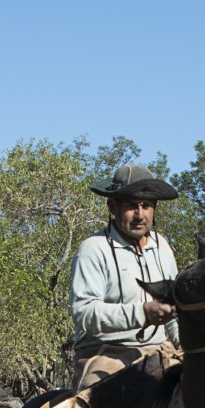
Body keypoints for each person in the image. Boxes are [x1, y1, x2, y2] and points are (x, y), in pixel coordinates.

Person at [70, 164, 183, 390]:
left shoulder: (163, 247)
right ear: (113, 206)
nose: (140, 215)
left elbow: (172, 311)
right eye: (132, 206)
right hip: (105, 353)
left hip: (160, 351)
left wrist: (187, 345)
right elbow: (84, 313)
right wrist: (143, 313)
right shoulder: (93, 248)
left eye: (147, 206)